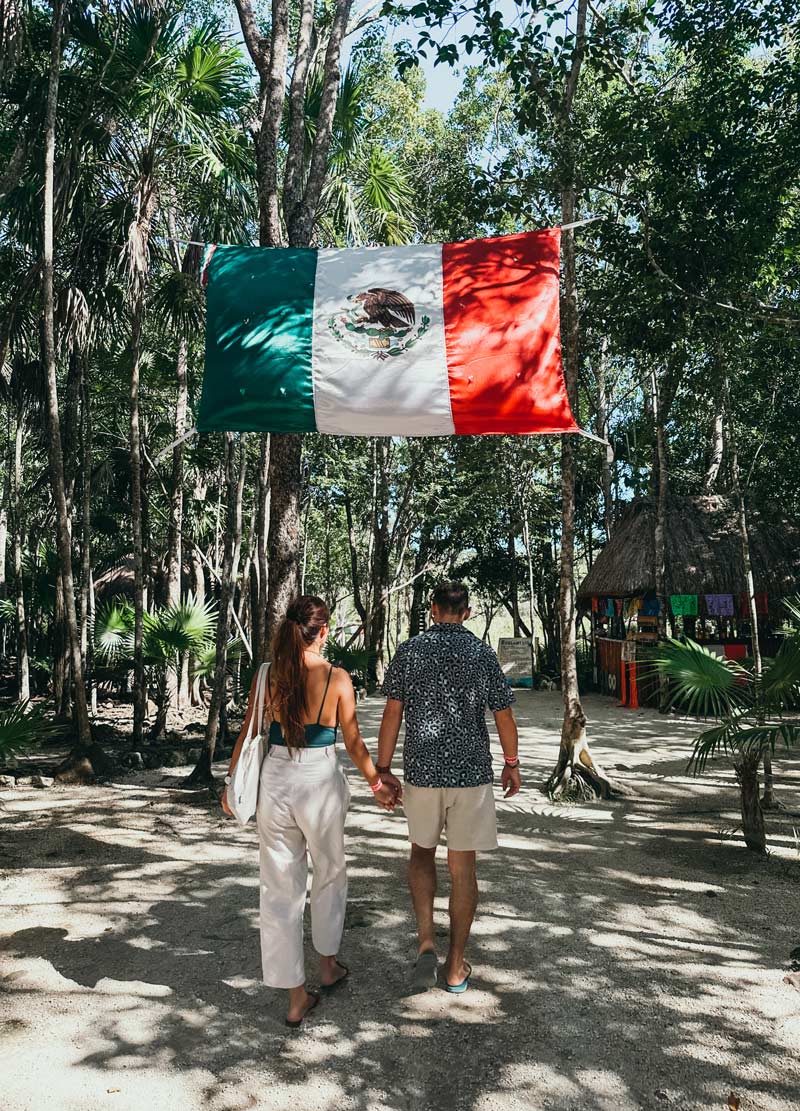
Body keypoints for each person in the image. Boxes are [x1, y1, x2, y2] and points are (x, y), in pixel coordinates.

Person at [222, 595, 397, 1028]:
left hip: (276, 778)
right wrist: (377, 784)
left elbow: (248, 732)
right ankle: (328, 965)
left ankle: (296, 997)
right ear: (323, 631)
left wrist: (229, 786)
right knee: (330, 871)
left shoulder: (268, 673)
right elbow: (353, 744)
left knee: (279, 888)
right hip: (318, 779)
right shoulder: (337, 677)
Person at [376, 581, 521, 993]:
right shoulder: (481, 653)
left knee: (421, 852)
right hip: (471, 776)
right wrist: (511, 764)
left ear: (433, 610)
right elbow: (504, 715)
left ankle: (425, 941)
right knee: (463, 868)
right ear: (468, 612)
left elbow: (391, 715)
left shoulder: (410, 651)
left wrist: (383, 768)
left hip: (422, 773)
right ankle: (455, 966)